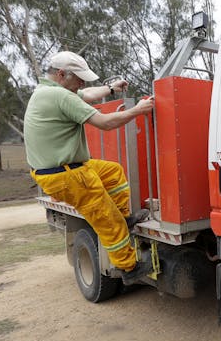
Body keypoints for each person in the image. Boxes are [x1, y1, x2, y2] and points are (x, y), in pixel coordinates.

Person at [24, 51, 155, 284]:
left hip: (63, 168)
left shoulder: (48, 92)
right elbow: (105, 123)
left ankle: (124, 218)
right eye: (79, 78)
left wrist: (112, 89)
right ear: (62, 74)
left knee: (113, 172)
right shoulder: (61, 97)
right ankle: (129, 267)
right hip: (67, 175)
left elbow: (89, 94)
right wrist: (137, 111)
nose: (82, 83)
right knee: (107, 219)